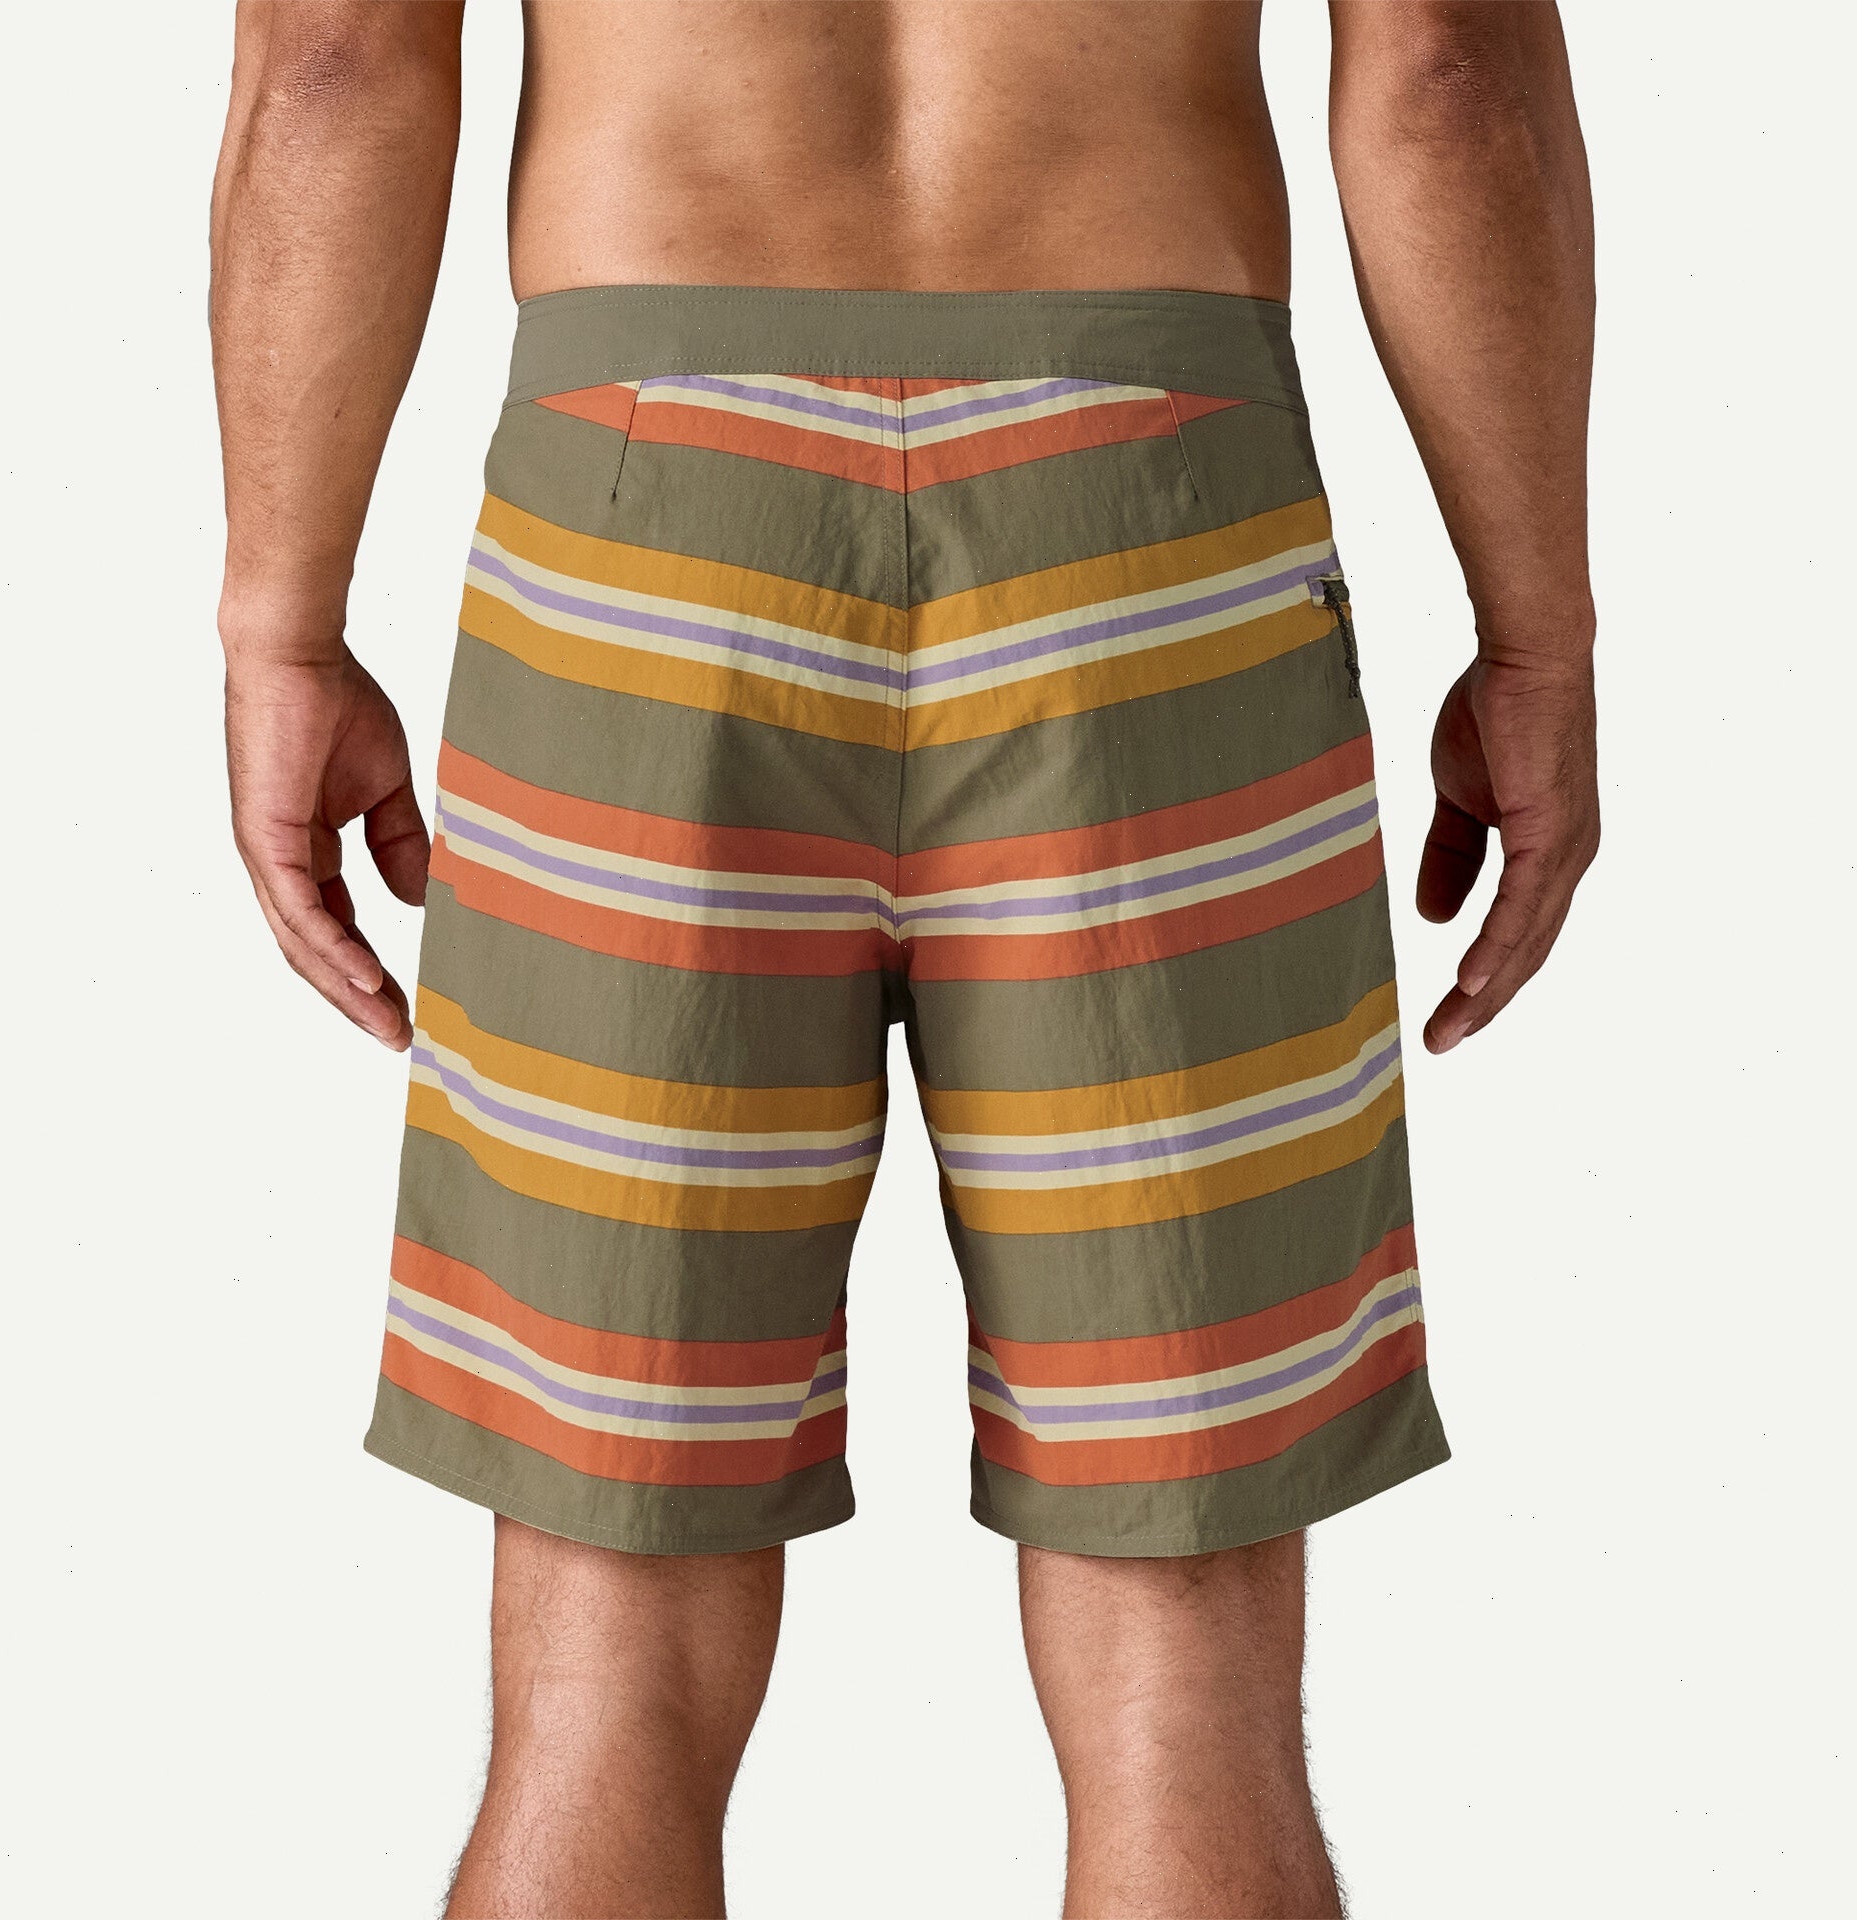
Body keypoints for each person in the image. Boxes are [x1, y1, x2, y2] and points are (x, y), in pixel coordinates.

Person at [209, 3, 1597, 1913]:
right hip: (1150, 516)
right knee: (1180, 1670)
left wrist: (280, 624)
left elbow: (336, 60)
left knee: (610, 1654)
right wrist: (1538, 634)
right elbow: (1446, 73)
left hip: (646, 522)